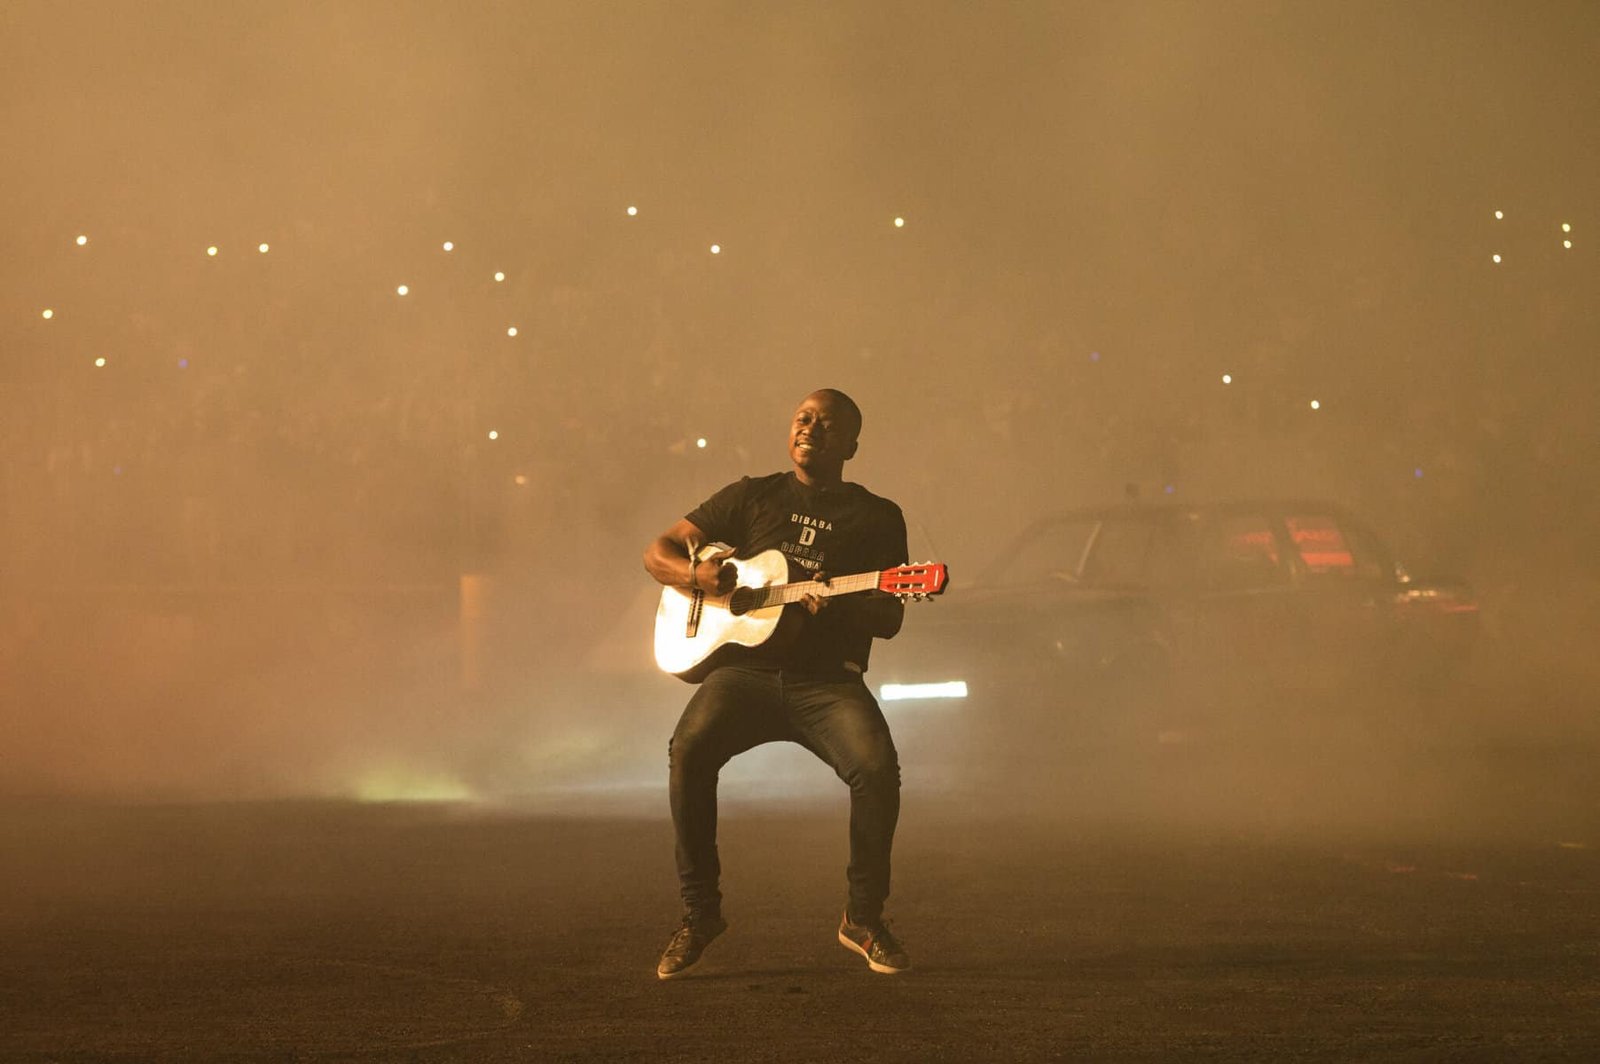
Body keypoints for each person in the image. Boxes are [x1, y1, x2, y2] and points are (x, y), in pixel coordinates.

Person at [642, 389, 913, 978]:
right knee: (687, 750)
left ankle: (863, 919)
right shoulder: (751, 495)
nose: (810, 427)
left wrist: (836, 607)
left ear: (852, 445)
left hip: (828, 684)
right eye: (803, 418)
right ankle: (700, 915)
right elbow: (656, 553)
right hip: (744, 673)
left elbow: (891, 616)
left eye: (827, 422)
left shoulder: (878, 517)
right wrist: (699, 578)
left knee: (876, 771)